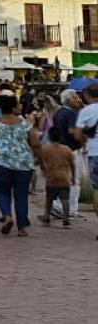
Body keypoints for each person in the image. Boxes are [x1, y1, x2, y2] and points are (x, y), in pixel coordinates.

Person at [0, 93, 38, 236]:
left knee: (2, 192)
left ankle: (7, 216)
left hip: (1, 162)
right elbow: (35, 143)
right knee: (21, 195)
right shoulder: (26, 124)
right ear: (13, 106)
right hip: (23, 163)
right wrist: (40, 159)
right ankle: (21, 227)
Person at [69, 82, 98, 238]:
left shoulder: (86, 111)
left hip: (94, 152)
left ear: (87, 96)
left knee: (97, 189)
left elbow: (77, 134)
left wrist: (85, 140)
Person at [53, 88, 84, 220]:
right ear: (69, 100)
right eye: (75, 97)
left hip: (60, 149)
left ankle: (58, 205)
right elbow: (72, 131)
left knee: (63, 178)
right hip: (71, 150)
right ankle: (71, 209)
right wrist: (83, 139)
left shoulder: (58, 113)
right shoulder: (71, 114)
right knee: (75, 179)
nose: (78, 100)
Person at [36, 125, 75, 227]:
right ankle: (66, 219)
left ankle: (46, 217)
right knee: (65, 200)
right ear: (60, 136)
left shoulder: (45, 149)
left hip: (51, 178)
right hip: (64, 178)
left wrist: (43, 170)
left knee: (49, 199)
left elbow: (39, 162)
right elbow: (72, 165)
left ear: (49, 136)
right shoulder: (67, 149)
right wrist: (73, 177)